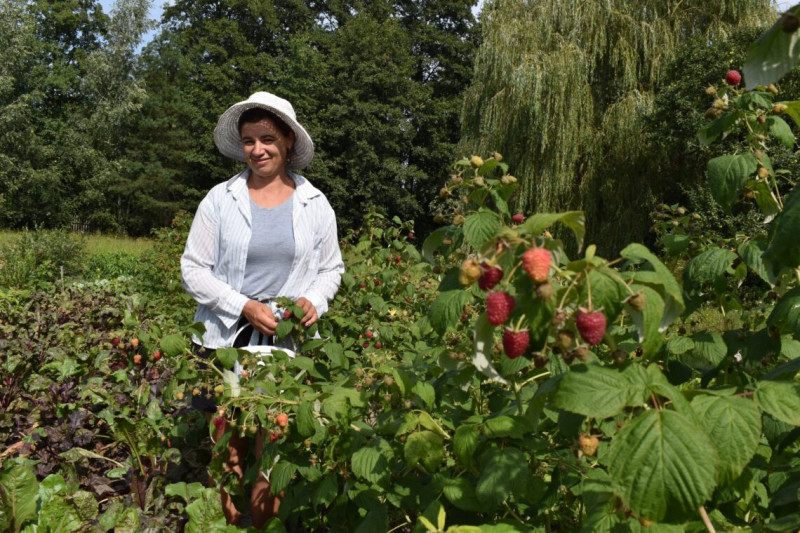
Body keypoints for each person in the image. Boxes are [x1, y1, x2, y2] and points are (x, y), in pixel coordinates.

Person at [180, 91, 344, 527]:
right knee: (228, 445)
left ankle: (265, 524)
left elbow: (331, 268)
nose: (257, 150)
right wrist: (243, 306)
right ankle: (229, 524)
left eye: (267, 139)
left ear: (288, 141)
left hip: (287, 345)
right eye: (249, 140)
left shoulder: (315, 204)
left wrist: (315, 299)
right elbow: (192, 269)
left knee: (272, 446)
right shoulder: (220, 200)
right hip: (226, 342)